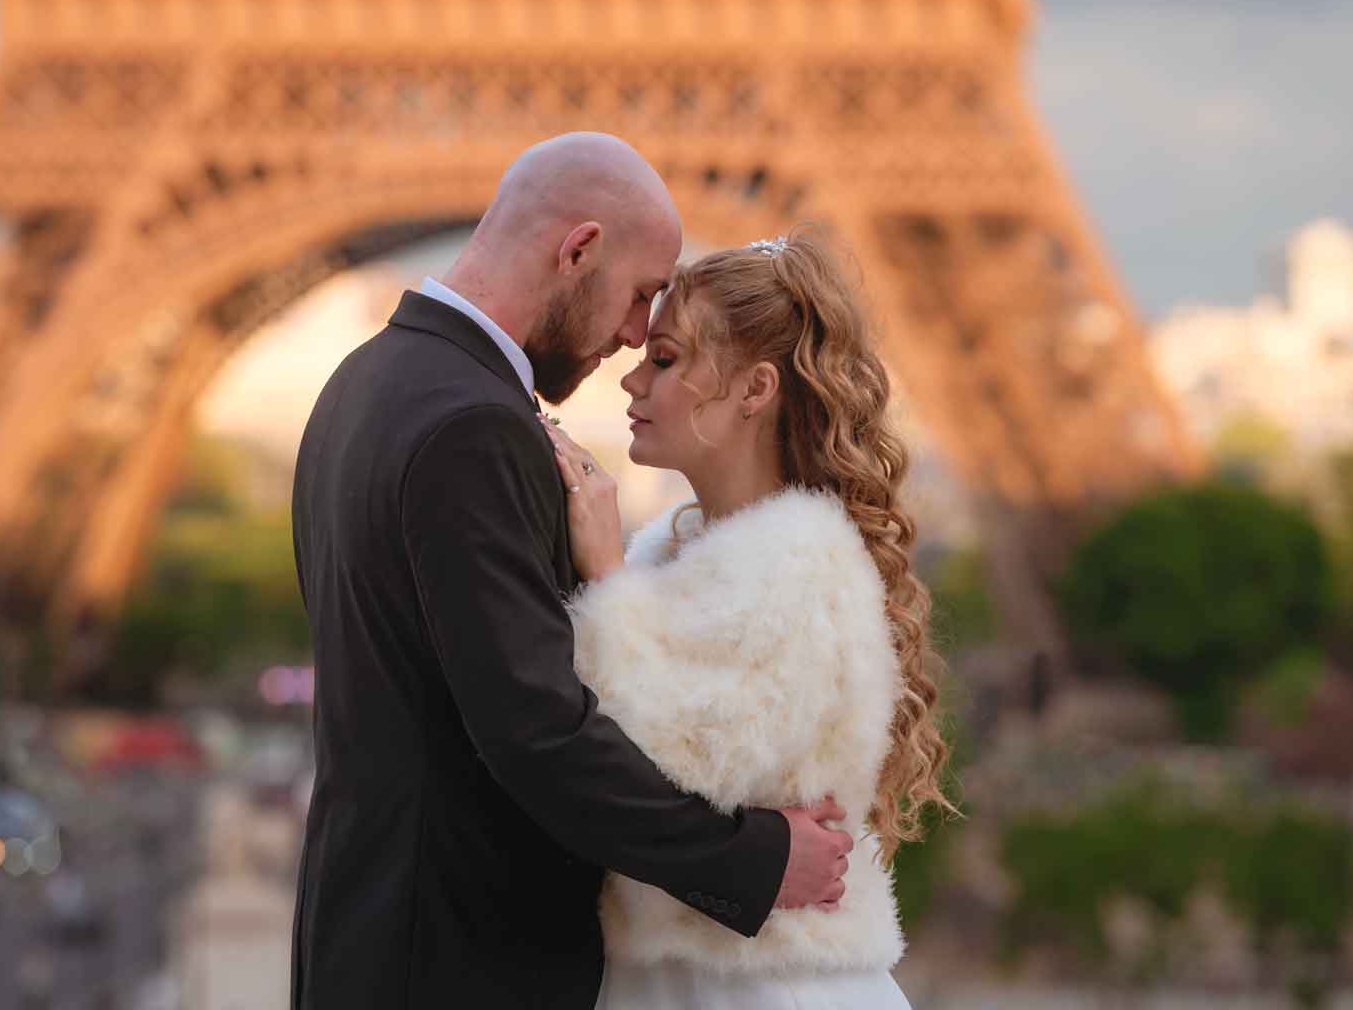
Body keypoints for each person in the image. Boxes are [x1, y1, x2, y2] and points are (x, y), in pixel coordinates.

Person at [290, 134, 856, 1009]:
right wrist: (754, 860)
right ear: (578, 249)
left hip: (375, 938)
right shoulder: (474, 425)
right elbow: (536, 731)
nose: (634, 336)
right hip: (457, 964)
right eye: (638, 298)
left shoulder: (365, 384)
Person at [540, 229, 955, 1010]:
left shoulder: (800, 561)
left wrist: (603, 578)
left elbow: (692, 759)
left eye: (665, 360)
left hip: (761, 988)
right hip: (696, 973)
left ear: (754, 389)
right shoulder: (684, 551)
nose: (631, 381)